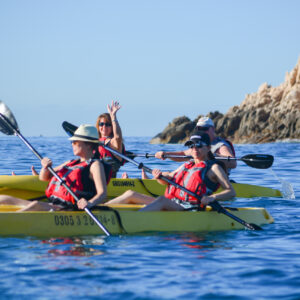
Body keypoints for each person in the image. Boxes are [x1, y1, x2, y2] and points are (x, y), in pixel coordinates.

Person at [105, 132, 236, 211]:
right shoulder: (187, 165)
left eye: (199, 145)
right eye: (191, 146)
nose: (195, 149)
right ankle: (100, 210)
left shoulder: (214, 168)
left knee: (162, 200)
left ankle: (131, 220)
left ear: (208, 148)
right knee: (130, 194)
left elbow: (231, 192)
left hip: (189, 209)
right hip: (174, 203)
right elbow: (169, 179)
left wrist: (212, 198)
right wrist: (159, 177)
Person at [0, 125, 110, 211]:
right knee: (3, 198)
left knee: (36, 205)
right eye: (72, 141)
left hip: (69, 209)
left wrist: (89, 203)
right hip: (54, 204)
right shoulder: (70, 163)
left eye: (75, 142)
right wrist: (45, 168)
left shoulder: (95, 165)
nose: (72, 144)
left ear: (89, 145)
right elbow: (43, 178)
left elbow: (102, 193)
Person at [155, 117, 237, 173]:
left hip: (215, 179)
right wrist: (166, 154)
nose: (202, 131)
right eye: (198, 129)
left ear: (213, 129)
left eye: (204, 129)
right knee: (182, 168)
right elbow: (183, 154)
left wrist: (210, 155)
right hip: (198, 174)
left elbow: (233, 163)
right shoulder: (197, 144)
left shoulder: (221, 145)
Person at [96, 100, 125, 177]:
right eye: (101, 124)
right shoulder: (94, 142)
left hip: (108, 179)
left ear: (112, 127)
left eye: (108, 124)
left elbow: (118, 137)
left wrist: (113, 116)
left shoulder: (113, 143)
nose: (104, 127)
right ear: (98, 126)